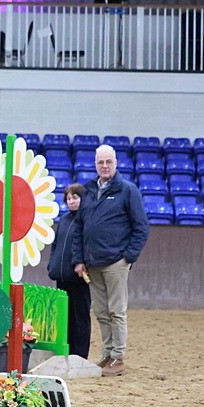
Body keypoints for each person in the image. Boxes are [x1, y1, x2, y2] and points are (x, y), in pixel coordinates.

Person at [70, 144, 149, 377]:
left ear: (116, 163)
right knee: (102, 312)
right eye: (100, 162)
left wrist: (128, 257)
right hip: (92, 264)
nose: (104, 166)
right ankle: (107, 353)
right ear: (95, 164)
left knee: (117, 311)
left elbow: (141, 227)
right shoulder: (89, 190)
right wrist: (79, 259)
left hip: (116, 262)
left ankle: (119, 356)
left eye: (108, 162)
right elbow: (80, 228)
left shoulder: (127, 190)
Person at [47, 183, 91, 359]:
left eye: (75, 198)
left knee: (80, 317)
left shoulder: (87, 219)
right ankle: (67, 350)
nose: (71, 201)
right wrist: (52, 264)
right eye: (69, 198)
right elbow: (55, 244)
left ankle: (80, 355)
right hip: (61, 276)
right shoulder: (64, 220)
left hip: (78, 278)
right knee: (65, 317)